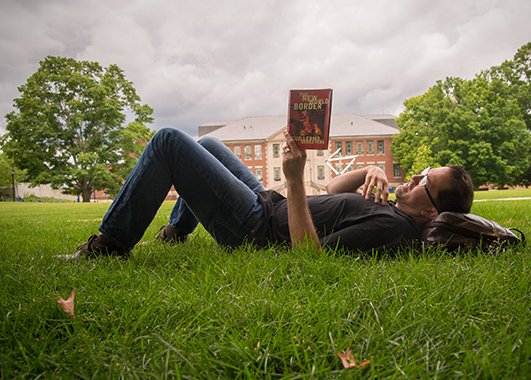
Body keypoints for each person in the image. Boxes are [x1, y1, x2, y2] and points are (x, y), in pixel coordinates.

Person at [60, 127, 474, 259]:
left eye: (425, 184)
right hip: (266, 201)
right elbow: (331, 190)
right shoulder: (391, 207)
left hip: (256, 227)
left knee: (169, 142)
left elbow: (309, 254)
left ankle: (109, 245)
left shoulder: (390, 225)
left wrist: (294, 180)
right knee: (207, 146)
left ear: (430, 215)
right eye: (421, 173)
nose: (415, 178)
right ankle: (176, 231)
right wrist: (368, 171)